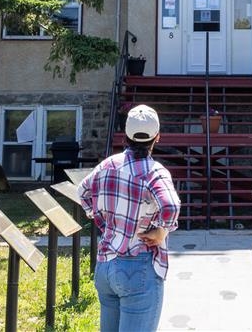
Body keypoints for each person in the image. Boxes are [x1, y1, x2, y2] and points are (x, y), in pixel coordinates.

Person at [79, 104, 181, 332]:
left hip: (105, 265)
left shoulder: (106, 166)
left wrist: (102, 222)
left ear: (125, 136)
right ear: (157, 137)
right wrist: (161, 230)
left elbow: (83, 192)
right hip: (138, 264)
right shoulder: (154, 171)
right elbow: (172, 205)